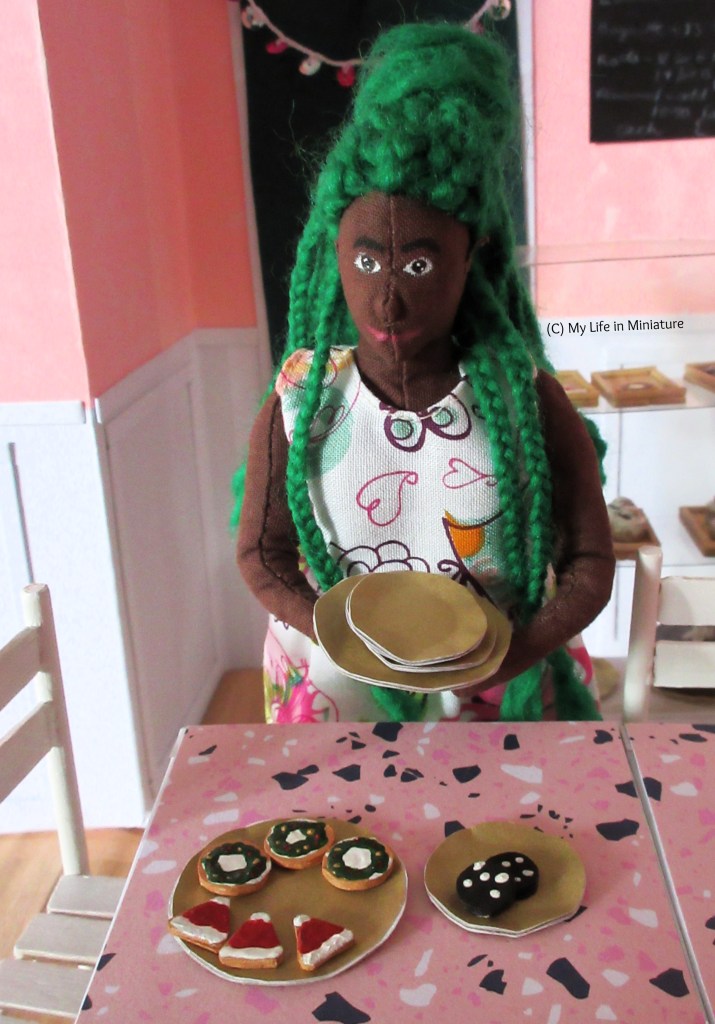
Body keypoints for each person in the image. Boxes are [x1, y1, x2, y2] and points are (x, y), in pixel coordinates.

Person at [234, 22, 615, 724]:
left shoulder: (519, 401)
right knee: (342, 801)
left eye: (419, 264)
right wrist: (335, 635)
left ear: (471, 257)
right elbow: (263, 553)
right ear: (334, 255)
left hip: (498, 688)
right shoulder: (302, 400)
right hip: (338, 687)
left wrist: (521, 650)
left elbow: (588, 560)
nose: (387, 300)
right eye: (367, 261)